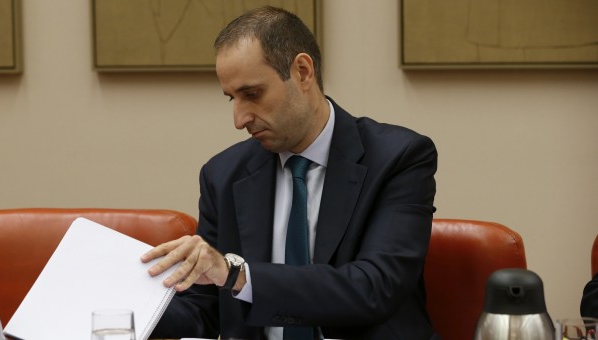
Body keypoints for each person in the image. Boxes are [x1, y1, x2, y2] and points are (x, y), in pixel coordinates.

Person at [143, 6, 439, 339]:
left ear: (302, 71)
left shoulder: (398, 158)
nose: (239, 120)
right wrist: (119, 305)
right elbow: (203, 311)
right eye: (232, 99)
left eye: (252, 94)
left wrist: (237, 274)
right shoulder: (223, 175)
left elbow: (375, 287)